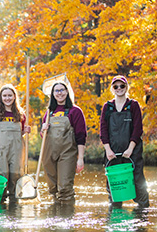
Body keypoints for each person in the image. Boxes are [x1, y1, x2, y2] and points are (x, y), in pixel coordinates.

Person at [99, 75, 150, 208]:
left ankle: (142, 214)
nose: (119, 88)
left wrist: (130, 149)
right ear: (112, 89)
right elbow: (103, 130)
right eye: (116, 86)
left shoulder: (133, 105)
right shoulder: (107, 107)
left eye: (122, 86)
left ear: (126, 87)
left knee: (138, 181)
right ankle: (115, 213)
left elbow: (138, 129)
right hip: (112, 151)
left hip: (132, 151)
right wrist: (108, 150)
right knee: (114, 184)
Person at [40, 82, 87, 203]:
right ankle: (56, 216)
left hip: (67, 154)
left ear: (67, 92)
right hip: (49, 154)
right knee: (53, 188)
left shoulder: (75, 111)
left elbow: (81, 136)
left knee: (65, 187)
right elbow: (44, 136)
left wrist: (80, 158)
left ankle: (67, 216)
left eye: (62, 90)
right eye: (56, 90)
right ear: (53, 94)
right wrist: (43, 130)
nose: (59, 93)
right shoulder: (49, 112)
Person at [0, 84, 31, 201]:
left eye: (10, 95)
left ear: (14, 97)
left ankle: (14, 208)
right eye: (5, 96)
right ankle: (0, 205)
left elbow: (19, 133)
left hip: (17, 151)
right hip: (1, 151)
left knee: (16, 177)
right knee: (1, 177)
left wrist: (25, 131)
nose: (7, 98)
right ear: (0, 98)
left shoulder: (21, 114)